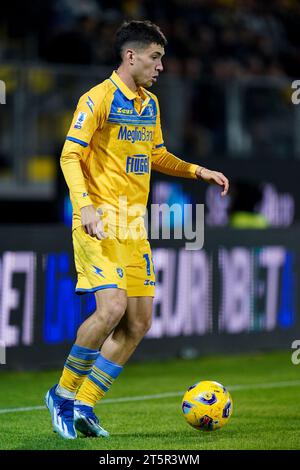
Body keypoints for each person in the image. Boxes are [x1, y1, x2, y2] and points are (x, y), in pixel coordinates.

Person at [45, 20, 229, 440]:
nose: (160, 66)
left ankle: (86, 405)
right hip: (97, 223)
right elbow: (69, 155)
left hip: (134, 227)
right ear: (131, 56)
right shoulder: (97, 99)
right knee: (110, 309)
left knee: (139, 322)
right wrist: (85, 206)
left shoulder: (149, 105)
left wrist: (198, 171)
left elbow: (157, 154)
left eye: (161, 58)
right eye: (155, 57)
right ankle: (62, 394)